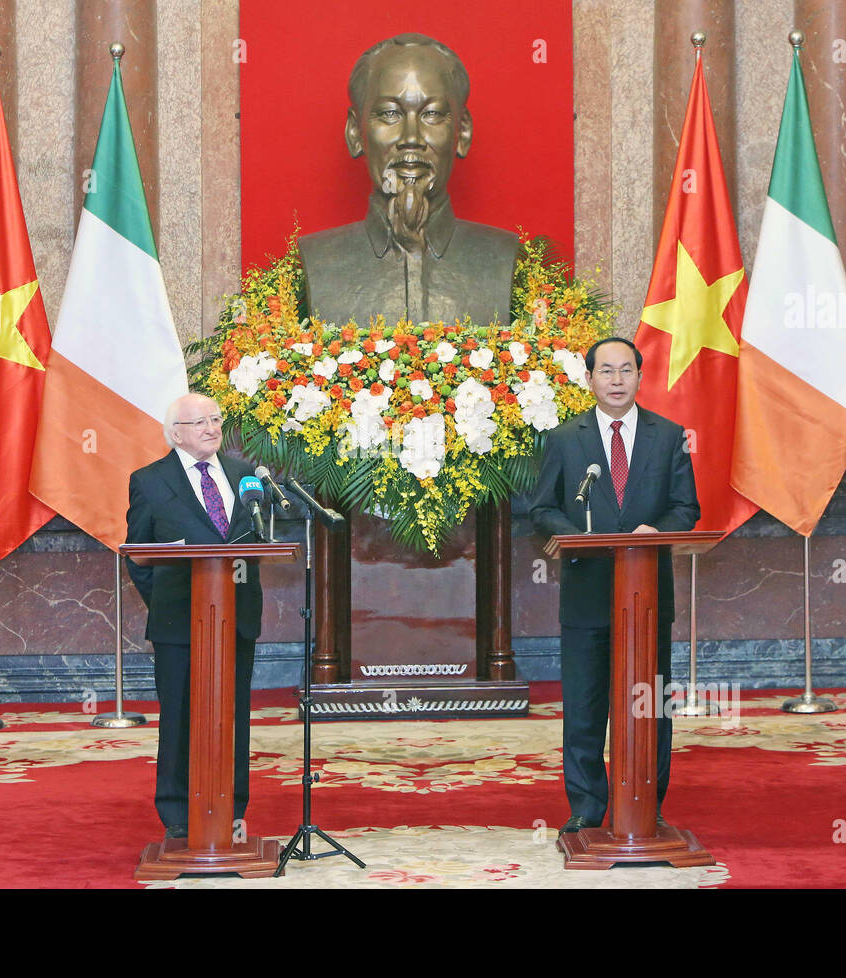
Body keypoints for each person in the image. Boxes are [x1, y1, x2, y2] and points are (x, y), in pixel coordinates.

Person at [529, 337, 700, 836]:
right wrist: (577, 537)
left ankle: (649, 802)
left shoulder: (668, 436)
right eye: (607, 371)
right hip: (587, 593)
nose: (617, 380)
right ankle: (587, 806)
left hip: (647, 598)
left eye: (627, 370)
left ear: (640, 378)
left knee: (650, 705)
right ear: (590, 379)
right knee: (585, 706)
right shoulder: (565, 439)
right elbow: (542, 509)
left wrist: (657, 532)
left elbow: (686, 508)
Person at [298, 33, 518, 328]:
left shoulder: (500, 256)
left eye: (432, 114)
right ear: (355, 132)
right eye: (390, 114)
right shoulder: (319, 260)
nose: (411, 138)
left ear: (462, 133)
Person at [124, 392, 264, 840]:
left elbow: (257, 543)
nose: (211, 428)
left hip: (236, 617)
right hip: (178, 623)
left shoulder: (245, 476)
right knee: (182, 716)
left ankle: (232, 810)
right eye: (200, 422)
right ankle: (178, 816)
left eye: (216, 419)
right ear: (176, 433)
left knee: (233, 716)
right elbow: (139, 555)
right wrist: (169, 600)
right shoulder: (149, 481)